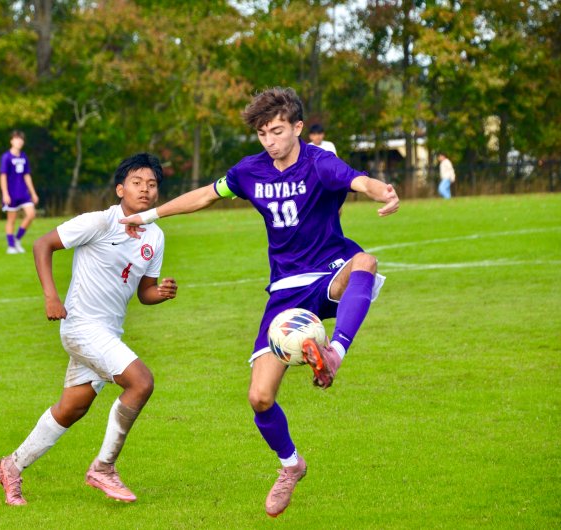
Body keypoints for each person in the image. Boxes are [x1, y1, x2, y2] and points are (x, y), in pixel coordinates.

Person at [120, 87, 399, 518]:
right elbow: (206, 195)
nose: (270, 141)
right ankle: (291, 465)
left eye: (277, 131)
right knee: (260, 398)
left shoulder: (319, 161)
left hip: (330, 269)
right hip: (285, 291)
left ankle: (336, 352)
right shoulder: (251, 171)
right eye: (263, 133)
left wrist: (384, 192)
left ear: (298, 128)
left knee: (366, 260)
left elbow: (358, 180)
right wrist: (149, 215)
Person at [0, 153, 178, 506]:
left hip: (108, 332)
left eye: (152, 185)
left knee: (71, 408)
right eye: (137, 183)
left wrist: (161, 293)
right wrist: (51, 296)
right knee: (141, 382)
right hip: (80, 327)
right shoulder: (99, 222)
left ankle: (10, 467)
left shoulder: (156, 236)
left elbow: (144, 293)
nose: (145, 190)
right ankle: (103, 468)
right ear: (120, 188)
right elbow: (42, 244)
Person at [0, 130, 39, 254]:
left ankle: (17, 239)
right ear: (11, 141)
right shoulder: (6, 157)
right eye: (16, 139)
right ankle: (11, 246)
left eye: (21, 139)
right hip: (11, 194)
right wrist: (5, 193)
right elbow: (3, 176)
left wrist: (33, 193)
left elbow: (27, 175)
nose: (19, 141)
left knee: (31, 214)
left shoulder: (23, 156)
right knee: (11, 219)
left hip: (23, 193)